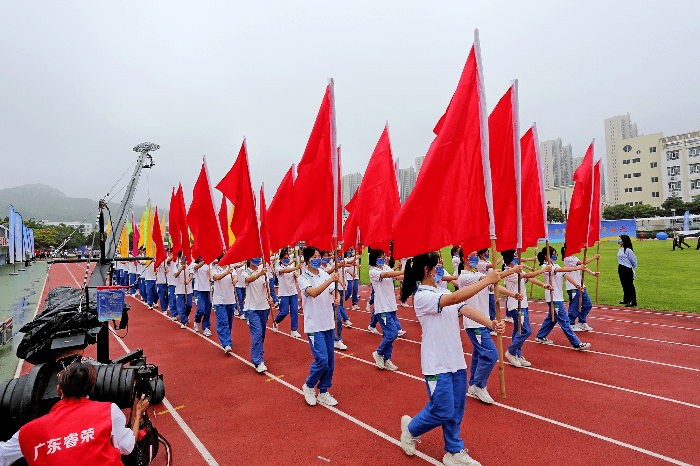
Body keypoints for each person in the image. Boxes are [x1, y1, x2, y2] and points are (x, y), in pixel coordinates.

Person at [399, 252, 505, 466]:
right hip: (436, 362)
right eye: (438, 265)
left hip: (456, 359)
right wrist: (488, 280)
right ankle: (411, 429)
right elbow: (456, 298)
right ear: (427, 270)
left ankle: (453, 450)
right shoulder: (422, 297)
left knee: (456, 409)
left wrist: (490, 323)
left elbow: (464, 308)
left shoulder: (440, 290)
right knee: (442, 409)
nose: (442, 268)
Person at [0, 362, 149, 466]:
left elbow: (2, 456)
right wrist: (137, 413)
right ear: (90, 389)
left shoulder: (27, 432)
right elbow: (127, 447)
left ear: (59, 390)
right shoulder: (109, 411)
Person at [458, 251, 522, 404]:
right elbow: (491, 279)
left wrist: (512, 294)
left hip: (484, 322)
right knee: (491, 353)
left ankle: (473, 384)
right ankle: (479, 385)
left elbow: (494, 287)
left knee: (478, 354)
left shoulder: (477, 274)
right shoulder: (465, 277)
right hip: (474, 325)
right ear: (464, 258)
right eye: (471, 255)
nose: (474, 258)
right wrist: (513, 270)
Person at [299, 246, 342, 407]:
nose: (318, 259)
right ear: (307, 260)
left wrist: (336, 296)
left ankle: (323, 391)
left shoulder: (324, 274)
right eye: (314, 257)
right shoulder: (303, 278)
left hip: (328, 323)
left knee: (330, 361)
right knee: (322, 360)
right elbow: (314, 292)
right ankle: (309, 386)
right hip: (314, 325)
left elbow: (334, 291)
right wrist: (330, 280)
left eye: (319, 256)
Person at [500, 250, 552, 368]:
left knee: (517, 330)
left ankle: (517, 354)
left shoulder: (517, 269)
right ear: (510, 258)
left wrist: (544, 285)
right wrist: (544, 270)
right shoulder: (508, 271)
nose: (518, 257)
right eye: (516, 255)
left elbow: (529, 278)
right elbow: (526, 275)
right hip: (515, 305)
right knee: (526, 330)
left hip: (523, 304)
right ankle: (511, 351)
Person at [534, 246, 590, 350]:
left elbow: (567, 276)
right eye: (553, 254)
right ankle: (576, 343)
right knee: (564, 321)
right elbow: (563, 269)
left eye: (556, 254)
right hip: (553, 298)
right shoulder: (546, 267)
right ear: (547, 256)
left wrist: (577, 286)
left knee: (552, 318)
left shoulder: (555, 265)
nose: (555, 256)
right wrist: (578, 268)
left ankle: (540, 336)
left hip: (558, 297)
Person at [369, 249, 404, 370]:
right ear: (374, 258)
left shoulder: (386, 267)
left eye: (383, 256)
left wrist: (412, 274)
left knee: (387, 335)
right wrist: (402, 270)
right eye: (380, 257)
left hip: (391, 306)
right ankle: (378, 353)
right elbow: (386, 275)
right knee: (392, 334)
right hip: (382, 308)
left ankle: (386, 358)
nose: (383, 258)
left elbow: (398, 276)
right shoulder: (373, 271)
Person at [243, 257, 275, 373]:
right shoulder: (245, 272)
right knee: (257, 333)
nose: (257, 260)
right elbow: (248, 280)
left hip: (264, 307)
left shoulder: (263, 271)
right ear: (250, 260)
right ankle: (258, 360)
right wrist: (260, 273)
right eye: (254, 258)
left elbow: (266, 287)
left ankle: (258, 353)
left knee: (262, 333)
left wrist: (269, 295)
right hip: (251, 308)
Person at [561, 243, 600, 331]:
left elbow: (583, 267)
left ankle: (582, 322)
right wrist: (595, 257)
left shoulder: (574, 257)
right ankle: (571, 324)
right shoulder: (567, 258)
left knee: (588, 305)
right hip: (573, 286)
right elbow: (582, 263)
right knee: (574, 306)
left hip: (581, 285)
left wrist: (593, 273)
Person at [272, 247, 303, 338]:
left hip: (293, 292)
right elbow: (284, 271)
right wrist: (296, 268)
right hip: (284, 294)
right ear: (281, 260)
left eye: (287, 258)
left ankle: (294, 330)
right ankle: (276, 321)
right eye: (284, 258)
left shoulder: (292, 268)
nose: (286, 259)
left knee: (294, 311)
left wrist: (299, 277)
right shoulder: (278, 268)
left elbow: (296, 274)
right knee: (284, 312)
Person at [211, 255, 238, 353]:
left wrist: (234, 280)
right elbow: (216, 277)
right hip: (219, 300)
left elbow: (236, 277)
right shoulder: (215, 268)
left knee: (229, 322)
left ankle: (225, 339)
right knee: (223, 321)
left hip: (230, 299)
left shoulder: (230, 268)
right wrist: (227, 272)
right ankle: (227, 343)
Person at [192, 257, 213, 336]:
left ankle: (206, 328)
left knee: (208, 310)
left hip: (208, 289)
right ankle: (197, 321)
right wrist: (205, 261)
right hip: (199, 290)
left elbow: (211, 272)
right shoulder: (195, 264)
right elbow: (196, 267)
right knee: (201, 309)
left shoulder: (209, 265)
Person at [173, 254, 195, 329]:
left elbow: (191, 275)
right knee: (180, 307)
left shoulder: (189, 265)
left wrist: (188, 281)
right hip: (179, 290)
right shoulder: (176, 265)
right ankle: (183, 321)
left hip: (188, 290)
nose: (183, 259)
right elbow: (175, 275)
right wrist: (181, 269)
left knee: (189, 305)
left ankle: (186, 316)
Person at [617, 234, 637, 307]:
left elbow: (634, 260)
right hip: (621, 268)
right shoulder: (621, 249)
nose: (619, 240)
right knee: (624, 284)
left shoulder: (628, 250)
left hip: (627, 268)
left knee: (629, 285)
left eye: (620, 239)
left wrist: (632, 267)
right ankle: (626, 299)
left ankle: (633, 301)